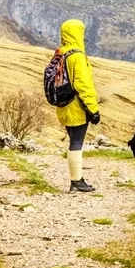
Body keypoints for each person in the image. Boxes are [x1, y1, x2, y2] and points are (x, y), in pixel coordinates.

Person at [55, 18, 101, 192]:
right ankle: (76, 181)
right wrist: (93, 109)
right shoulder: (77, 56)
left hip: (63, 105)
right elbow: (83, 85)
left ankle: (77, 178)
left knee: (73, 141)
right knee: (76, 143)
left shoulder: (61, 53)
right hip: (76, 106)